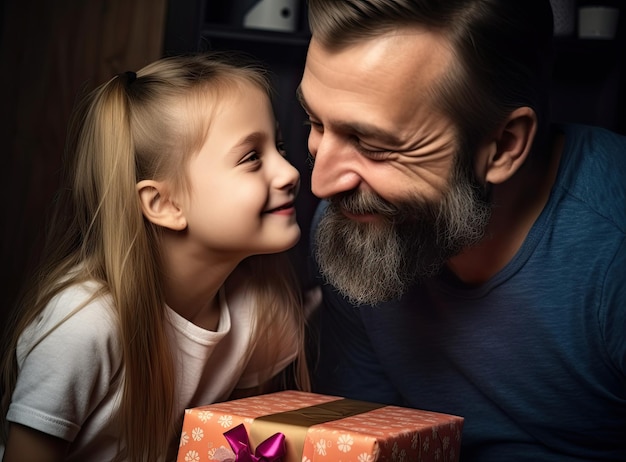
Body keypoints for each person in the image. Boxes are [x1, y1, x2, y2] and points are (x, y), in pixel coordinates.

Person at [298, 0, 626, 461]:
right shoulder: (357, 226)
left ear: (503, 146)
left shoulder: (614, 249)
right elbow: (360, 439)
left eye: (373, 146)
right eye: (315, 123)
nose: (322, 183)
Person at [0, 51, 310, 462]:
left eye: (280, 147)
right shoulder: (85, 325)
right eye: (251, 157)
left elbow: (235, 447)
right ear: (164, 204)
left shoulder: (259, 312)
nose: (289, 172)